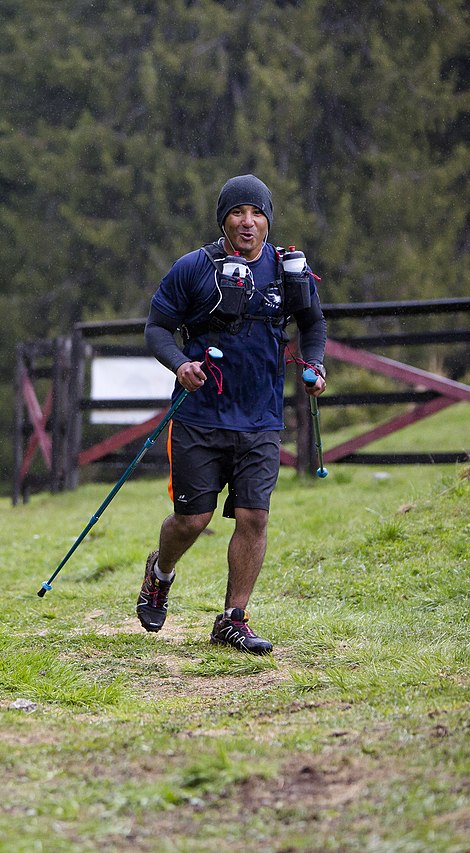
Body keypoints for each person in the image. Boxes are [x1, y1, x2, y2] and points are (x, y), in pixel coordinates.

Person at [136, 174, 328, 654]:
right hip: (200, 416)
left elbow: (313, 323)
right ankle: (160, 571)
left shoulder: (288, 271)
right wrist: (181, 365)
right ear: (223, 219)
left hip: (261, 419)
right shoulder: (193, 269)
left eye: (257, 213)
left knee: (253, 518)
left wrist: (316, 363)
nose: (248, 222)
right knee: (192, 520)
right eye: (238, 213)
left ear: (268, 220)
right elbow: (157, 328)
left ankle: (232, 619)